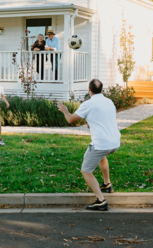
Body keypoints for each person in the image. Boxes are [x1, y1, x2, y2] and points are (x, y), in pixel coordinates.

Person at [57, 79, 120, 211]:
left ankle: (101, 201)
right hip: (114, 142)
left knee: (86, 171)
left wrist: (64, 110)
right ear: (101, 89)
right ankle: (107, 184)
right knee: (102, 156)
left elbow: (70, 119)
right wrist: (91, 121)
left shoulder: (89, 104)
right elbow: (104, 117)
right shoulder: (109, 102)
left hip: (101, 144)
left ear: (89, 89)